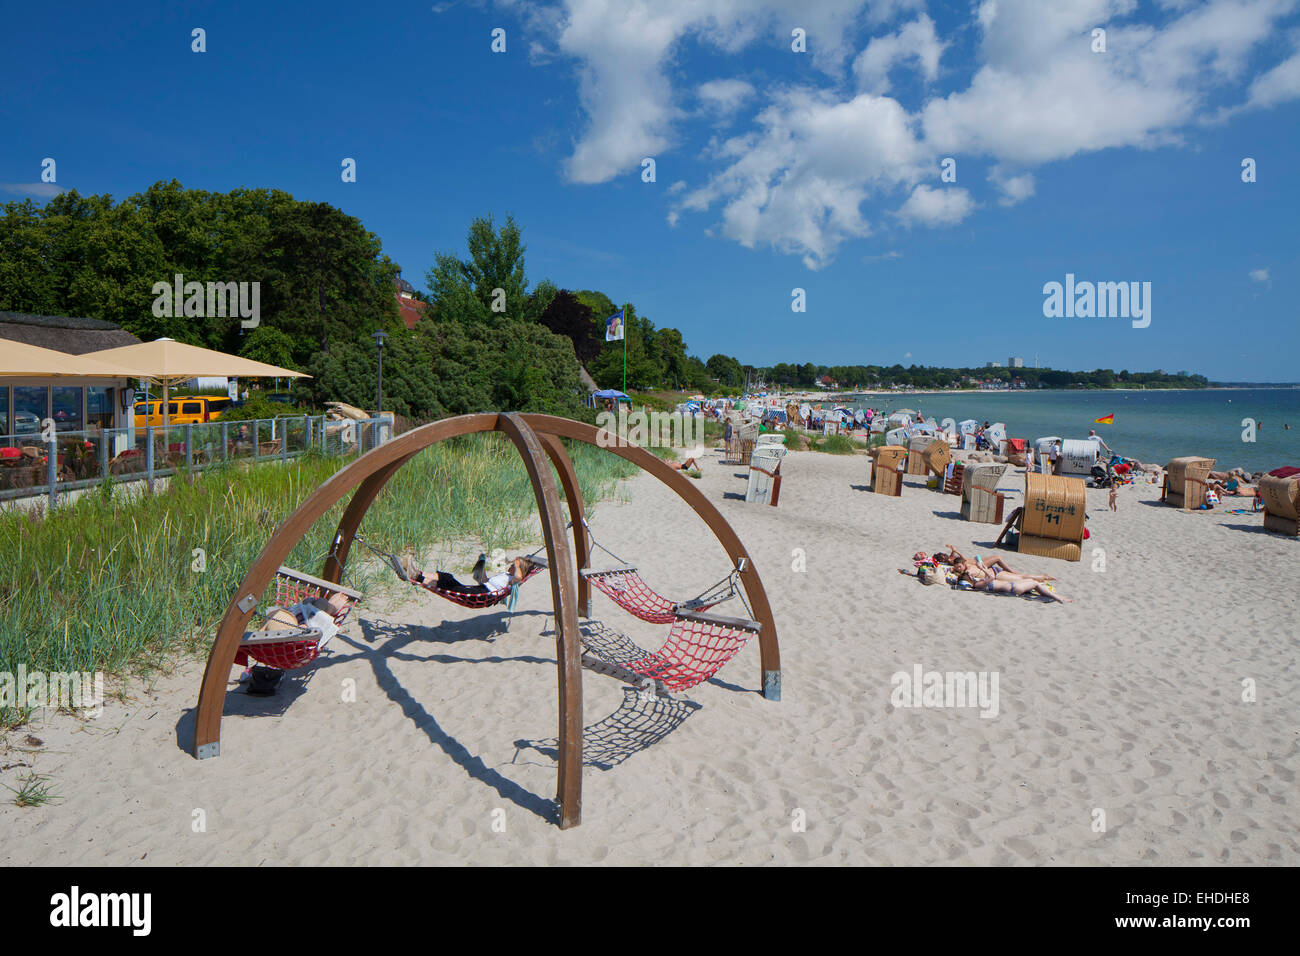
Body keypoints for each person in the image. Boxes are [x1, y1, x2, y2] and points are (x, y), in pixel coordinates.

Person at [402, 552, 540, 595]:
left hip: (480, 595)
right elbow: (484, 581)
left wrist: (516, 563)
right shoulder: (505, 576)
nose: (511, 566)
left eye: (513, 566)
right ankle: (417, 574)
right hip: (479, 590)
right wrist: (482, 567)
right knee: (447, 578)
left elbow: (518, 577)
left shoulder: (513, 581)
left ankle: (416, 577)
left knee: (448, 585)